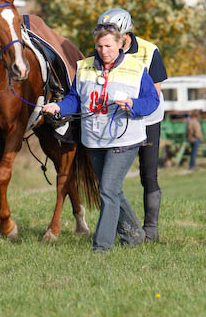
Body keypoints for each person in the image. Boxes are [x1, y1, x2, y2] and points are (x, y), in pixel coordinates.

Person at [42, 24, 159, 253]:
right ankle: (135, 234)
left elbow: (152, 101)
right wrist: (58, 107)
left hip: (124, 140)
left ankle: (102, 247)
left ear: (119, 44)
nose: (103, 51)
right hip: (94, 139)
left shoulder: (136, 69)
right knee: (112, 189)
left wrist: (133, 104)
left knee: (107, 189)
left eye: (108, 46)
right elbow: (75, 99)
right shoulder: (84, 68)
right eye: (99, 46)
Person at [96, 8, 168, 240]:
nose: (107, 38)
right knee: (110, 178)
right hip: (115, 123)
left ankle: (151, 229)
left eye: (113, 32)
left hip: (146, 120)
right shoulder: (104, 49)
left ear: (125, 33)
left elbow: (154, 94)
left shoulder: (149, 51)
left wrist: (132, 104)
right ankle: (128, 229)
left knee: (148, 175)